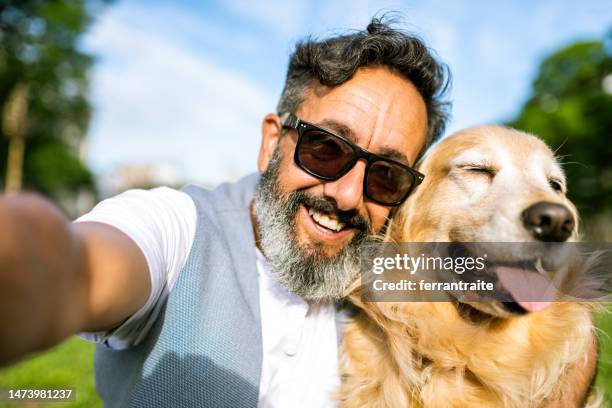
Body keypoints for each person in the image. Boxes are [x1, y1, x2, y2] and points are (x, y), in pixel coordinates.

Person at [0, 17, 597, 408]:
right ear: (272, 141)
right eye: (326, 149)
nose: (344, 195)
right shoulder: (179, 229)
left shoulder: (395, 277)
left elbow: (539, 313)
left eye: (386, 173)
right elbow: (78, 263)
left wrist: (572, 359)